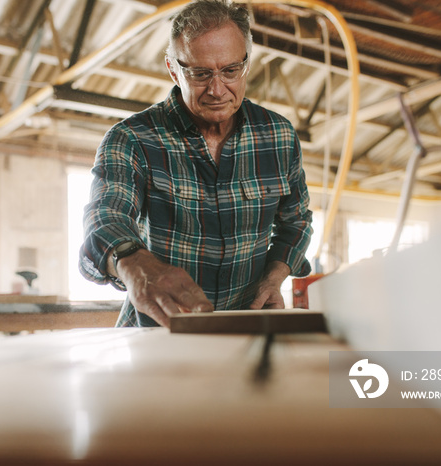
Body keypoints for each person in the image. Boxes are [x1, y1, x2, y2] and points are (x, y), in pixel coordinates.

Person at [79, 0, 313, 328]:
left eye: (230, 70)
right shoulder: (132, 139)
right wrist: (135, 264)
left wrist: (273, 279)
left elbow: (296, 223)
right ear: (173, 69)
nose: (217, 89)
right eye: (200, 73)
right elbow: (105, 219)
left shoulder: (278, 136)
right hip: (157, 335)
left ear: (246, 63)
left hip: (245, 332)